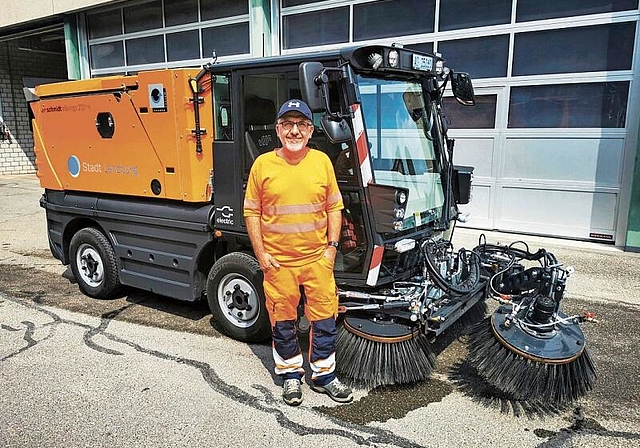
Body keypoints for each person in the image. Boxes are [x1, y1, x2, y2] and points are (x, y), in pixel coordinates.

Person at [243, 99, 353, 406]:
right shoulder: (263, 165)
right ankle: (291, 375)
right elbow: (251, 212)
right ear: (278, 129)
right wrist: (262, 256)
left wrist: (332, 248)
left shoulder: (321, 162)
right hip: (279, 264)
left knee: (325, 320)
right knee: (283, 322)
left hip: (318, 259)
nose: (295, 131)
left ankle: (324, 375)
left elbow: (334, 207)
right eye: (288, 124)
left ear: (310, 130)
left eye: (301, 124)